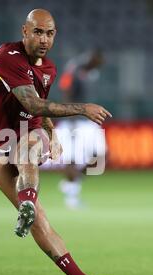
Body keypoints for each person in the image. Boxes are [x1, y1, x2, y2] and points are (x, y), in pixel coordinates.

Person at [0, 9, 118, 275]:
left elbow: (38, 106)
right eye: (37, 32)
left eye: (49, 33)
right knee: (39, 215)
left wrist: (50, 132)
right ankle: (30, 204)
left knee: (30, 148)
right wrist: (82, 108)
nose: (43, 39)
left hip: (26, 135)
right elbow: (34, 104)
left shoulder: (48, 69)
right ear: (24, 32)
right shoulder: (7, 56)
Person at [57, 49, 105, 209]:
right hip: (75, 121)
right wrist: (70, 120)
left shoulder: (91, 73)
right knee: (73, 159)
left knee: (101, 158)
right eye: (98, 61)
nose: (100, 65)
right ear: (92, 58)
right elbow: (66, 94)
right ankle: (72, 198)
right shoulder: (74, 70)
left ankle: (71, 183)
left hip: (90, 121)